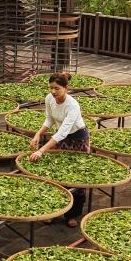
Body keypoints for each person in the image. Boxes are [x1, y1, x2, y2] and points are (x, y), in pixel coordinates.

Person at [28, 72, 89, 227]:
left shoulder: (73, 105)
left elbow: (63, 132)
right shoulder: (50, 98)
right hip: (60, 137)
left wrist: (41, 150)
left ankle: (72, 215)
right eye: (51, 88)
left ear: (66, 88)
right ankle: (54, 211)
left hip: (78, 139)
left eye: (57, 88)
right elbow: (49, 119)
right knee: (57, 174)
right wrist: (37, 134)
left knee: (75, 177)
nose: (53, 92)